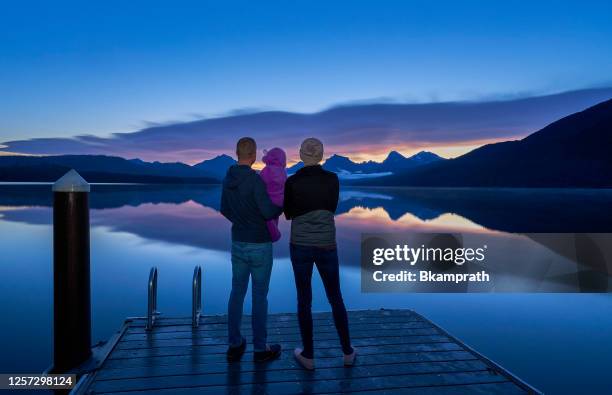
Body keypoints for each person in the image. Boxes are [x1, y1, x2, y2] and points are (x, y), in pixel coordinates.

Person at [283, 137, 355, 370]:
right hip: (327, 245)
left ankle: (309, 355)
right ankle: (347, 351)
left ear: (302, 155)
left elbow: (288, 213)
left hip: (300, 245)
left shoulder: (292, 181)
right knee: (336, 297)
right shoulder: (332, 179)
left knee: (304, 300)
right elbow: (332, 208)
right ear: (321, 156)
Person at [220, 137, 283, 362]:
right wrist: (281, 205)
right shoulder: (256, 181)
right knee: (259, 295)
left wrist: (240, 220)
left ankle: (234, 343)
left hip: (238, 242)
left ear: (237, 153)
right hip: (259, 244)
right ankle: (259, 348)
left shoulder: (228, 179)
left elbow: (224, 209)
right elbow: (267, 212)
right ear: (254, 155)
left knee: (237, 292)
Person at [259, 147, 288, 242]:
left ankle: (274, 235)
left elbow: (260, 186)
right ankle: (273, 234)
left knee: (268, 220)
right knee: (274, 219)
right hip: (281, 201)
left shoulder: (266, 170)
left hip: (269, 200)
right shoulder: (283, 171)